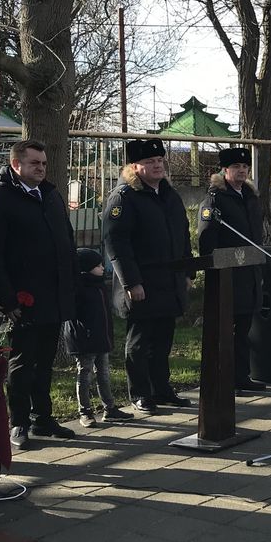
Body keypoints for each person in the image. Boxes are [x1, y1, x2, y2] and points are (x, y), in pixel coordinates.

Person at [0, 139, 77, 450]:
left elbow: (66, 240)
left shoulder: (50, 195)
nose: (41, 168)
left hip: (52, 295)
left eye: (44, 163)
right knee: (22, 363)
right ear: (16, 164)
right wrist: (7, 300)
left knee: (45, 361)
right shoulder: (0, 199)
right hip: (22, 300)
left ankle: (42, 418)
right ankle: (18, 421)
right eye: (34, 163)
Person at [102, 138, 193, 414]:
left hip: (169, 281)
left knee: (163, 340)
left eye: (159, 161)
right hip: (142, 282)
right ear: (134, 166)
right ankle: (140, 393)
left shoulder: (169, 194)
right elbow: (116, 243)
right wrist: (132, 282)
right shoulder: (124, 197)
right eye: (149, 162)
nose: (157, 166)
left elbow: (182, 234)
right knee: (140, 343)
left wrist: (187, 271)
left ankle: (161, 389)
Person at [196, 147, 266, 394]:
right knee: (227, 330)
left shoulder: (250, 196)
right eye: (236, 167)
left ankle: (241, 376)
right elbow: (206, 239)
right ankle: (223, 378)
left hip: (250, 273)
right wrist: (215, 268)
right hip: (228, 276)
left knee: (244, 330)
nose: (242, 171)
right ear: (225, 170)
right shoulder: (215, 199)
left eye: (245, 167)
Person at [66, 248, 131, 429]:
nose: (103, 268)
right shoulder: (78, 288)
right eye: (98, 265)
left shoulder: (100, 286)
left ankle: (109, 408)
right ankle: (85, 411)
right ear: (86, 268)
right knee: (84, 374)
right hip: (85, 340)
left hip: (101, 338)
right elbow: (74, 315)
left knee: (103, 373)